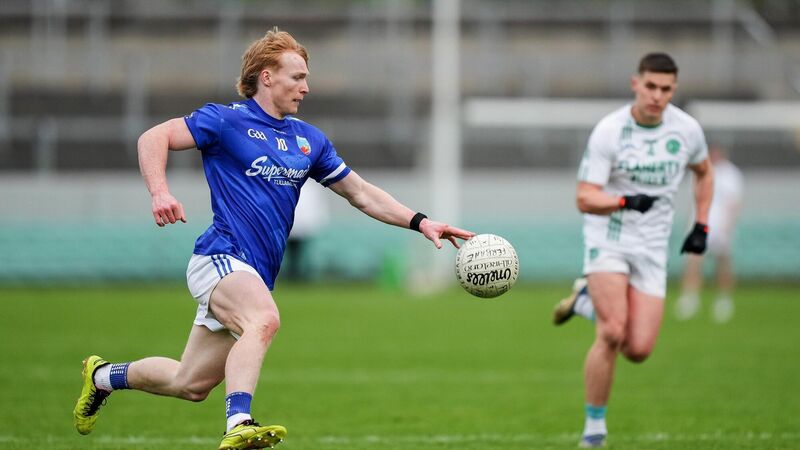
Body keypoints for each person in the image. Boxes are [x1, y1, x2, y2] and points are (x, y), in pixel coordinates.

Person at [73, 27, 475, 450]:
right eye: (297, 77)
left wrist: (420, 222)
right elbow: (153, 137)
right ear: (266, 77)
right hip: (220, 257)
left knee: (188, 383)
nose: (306, 87)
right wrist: (160, 192)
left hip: (255, 273)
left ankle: (102, 377)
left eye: (306, 78)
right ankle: (239, 423)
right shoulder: (226, 120)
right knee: (264, 319)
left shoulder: (309, 140)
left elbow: (360, 193)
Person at [550, 52, 714, 448]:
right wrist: (624, 202)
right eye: (651, 86)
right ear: (635, 84)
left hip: (653, 248)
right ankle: (594, 431)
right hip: (609, 239)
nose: (657, 96)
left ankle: (584, 301)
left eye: (666, 89)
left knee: (638, 349)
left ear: (674, 90)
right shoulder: (609, 131)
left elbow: (705, 173)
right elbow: (585, 197)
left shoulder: (687, 130)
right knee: (611, 332)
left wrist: (701, 224)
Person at [675, 145, 742, 323]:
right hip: (700, 222)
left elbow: (734, 202)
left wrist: (729, 225)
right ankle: (690, 298)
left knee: (722, 263)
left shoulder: (731, 174)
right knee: (693, 261)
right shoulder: (700, 169)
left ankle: (723, 299)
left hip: (721, 225)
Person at [284, 181, 329, 281]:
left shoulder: (309, 186)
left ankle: (295, 272)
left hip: (300, 224)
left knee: (297, 251)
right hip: (295, 224)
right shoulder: (306, 186)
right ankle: (293, 272)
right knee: (293, 251)